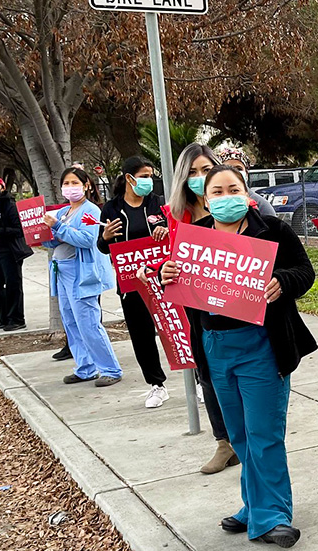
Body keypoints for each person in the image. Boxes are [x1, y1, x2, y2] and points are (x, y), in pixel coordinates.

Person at [158, 164, 317, 547]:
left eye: (234, 189)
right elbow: (179, 286)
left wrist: (283, 282)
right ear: (206, 199)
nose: (226, 197)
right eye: (218, 191)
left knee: (264, 434)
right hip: (215, 347)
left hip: (261, 344)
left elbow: (304, 272)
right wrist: (167, 274)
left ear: (247, 194)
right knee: (241, 436)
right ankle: (253, 505)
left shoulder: (272, 230)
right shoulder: (195, 239)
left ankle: (272, 516)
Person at [169, 143, 237, 473]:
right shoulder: (176, 216)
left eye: (205, 169)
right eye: (192, 172)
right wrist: (158, 271)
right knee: (206, 373)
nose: (199, 177)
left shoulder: (240, 207)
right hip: (197, 309)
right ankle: (223, 443)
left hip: (240, 308)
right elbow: (172, 264)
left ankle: (242, 439)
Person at [97, 156, 171, 407]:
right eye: (144, 176)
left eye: (150, 176)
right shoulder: (111, 208)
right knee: (142, 335)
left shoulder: (157, 204)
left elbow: (175, 233)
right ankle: (156, 385)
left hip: (163, 279)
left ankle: (196, 379)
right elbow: (103, 247)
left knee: (174, 329)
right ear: (129, 178)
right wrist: (105, 236)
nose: (148, 181)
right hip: (130, 284)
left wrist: (166, 230)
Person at [43, 167, 123, 387]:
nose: (70, 188)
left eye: (74, 183)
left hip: (81, 273)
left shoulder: (90, 211)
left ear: (87, 185)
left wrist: (58, 228)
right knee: (70, 321)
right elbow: (54, 240)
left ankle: (110, 369)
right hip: (62, 270)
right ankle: (85, 367)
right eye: (66, 183)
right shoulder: (62, 212)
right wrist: (44, 233)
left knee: (87, 322)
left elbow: (87, 240)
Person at [0, 176, 32, 331]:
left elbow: (19, 230)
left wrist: (0, 230)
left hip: (9, 251)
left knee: (12, 284)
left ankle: (16, 318)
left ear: (3, 188)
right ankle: (3, 317)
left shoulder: (10, 205)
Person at [213, 145, 276, 217]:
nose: (233, 172)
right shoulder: (213, 202)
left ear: (246, 173)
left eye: (238, 168)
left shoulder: (261, 205)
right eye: (227, 168)